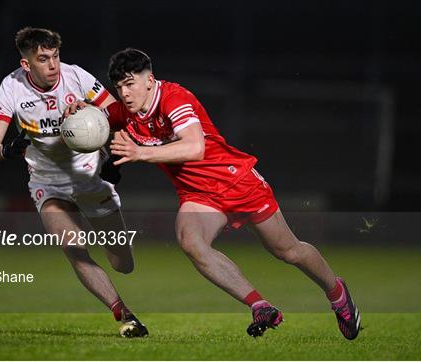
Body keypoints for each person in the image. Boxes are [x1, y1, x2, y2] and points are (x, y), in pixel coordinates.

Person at [103, 48, 361, 339]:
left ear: (149, 80)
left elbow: (194, 147)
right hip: (198, 195)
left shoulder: (174, 98)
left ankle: (337, 293)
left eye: (130, 83)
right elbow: (93, 121)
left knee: (288, 251)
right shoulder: (124, 112)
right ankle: (259, 305)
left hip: (236, 181)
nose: (124, 93)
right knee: (191, 241)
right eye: (119, 86)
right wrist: (75, 115)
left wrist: (140, 152)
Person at [0, 28, 148, 338]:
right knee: (74, 247)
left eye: (55, 56)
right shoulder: (12, 87)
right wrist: (6, 150)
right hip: (48, 185)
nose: (52, 65)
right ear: (26, 63)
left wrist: (103, 135)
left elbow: (119, 114)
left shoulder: (76, 77)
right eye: (43, 59)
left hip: (90, 178)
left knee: (122, 263)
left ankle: (116, 256)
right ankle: (125, 314)